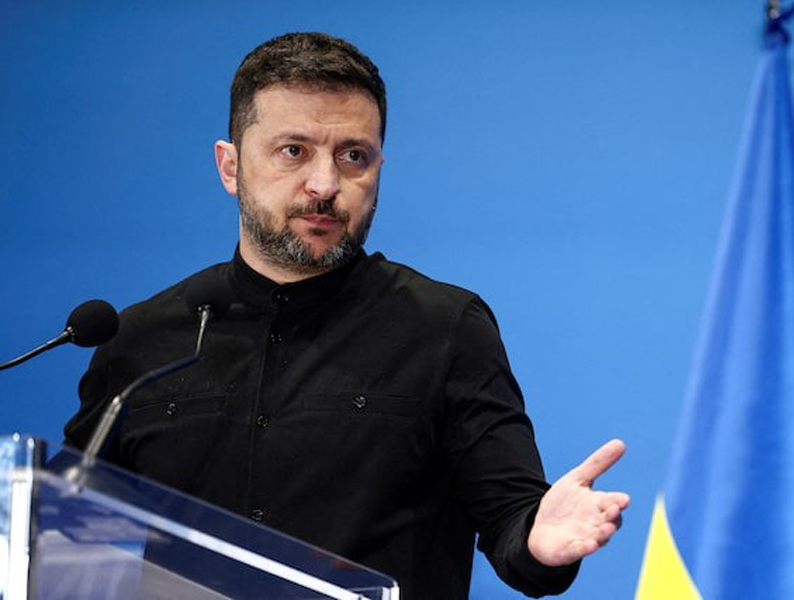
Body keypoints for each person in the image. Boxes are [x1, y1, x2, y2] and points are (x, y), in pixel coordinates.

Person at [63, 32, 629, 599]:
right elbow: (67, 537)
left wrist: (538, 539)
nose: (326, 185)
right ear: (230, 166)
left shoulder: (444, 327)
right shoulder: (138, 340)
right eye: (294, 151)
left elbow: (513, 523)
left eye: (353, 156)